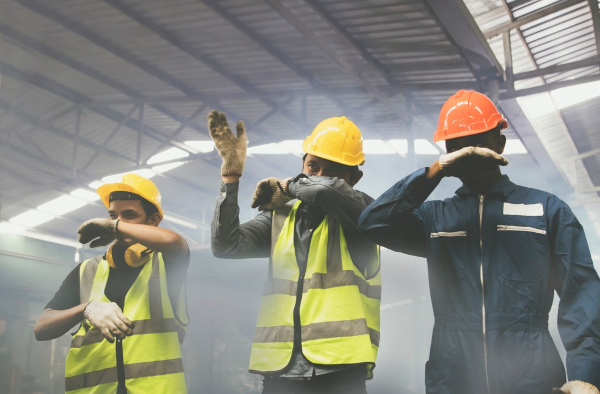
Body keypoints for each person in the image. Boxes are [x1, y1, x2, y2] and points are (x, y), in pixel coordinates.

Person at [357, 89, 600, 394]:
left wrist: (586, 374)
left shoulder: (545, 211)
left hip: (530, 376)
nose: (466, 154)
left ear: (499, 142)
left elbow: (582, 295)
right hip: (454, 374)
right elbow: (372, 223)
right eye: (456, 147)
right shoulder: (435, 217)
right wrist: (434, 172)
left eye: (475, 143)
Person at [207, 110, 381, 394]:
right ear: (302, 162)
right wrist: (230, 176)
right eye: (312, 166)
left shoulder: (363, 213)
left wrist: (289, 185)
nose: (318, 176)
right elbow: (226, 246)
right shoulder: (280, 217)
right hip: (280, 373)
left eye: (334, 171)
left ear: (354, 178)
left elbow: (326, 192)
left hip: (340, 373)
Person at [34, 173, 190, 394]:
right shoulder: (87, 271)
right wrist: (85, 309)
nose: (117, 221)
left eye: (129, 215)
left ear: (153, 221)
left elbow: (176, 242)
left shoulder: (167, 265)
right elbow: (41, 328)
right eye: (112, 215)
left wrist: (115, 227)